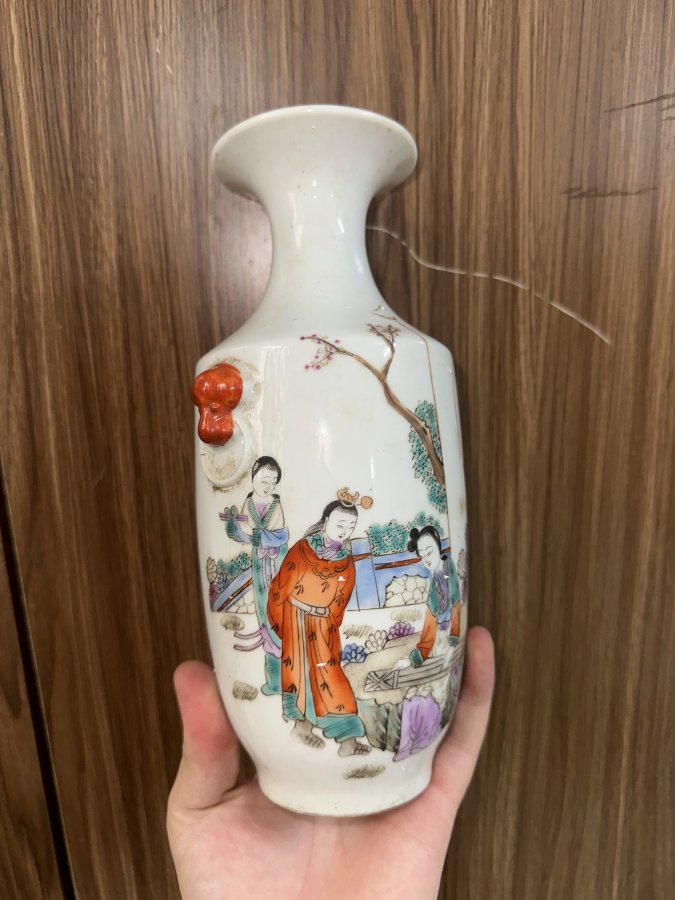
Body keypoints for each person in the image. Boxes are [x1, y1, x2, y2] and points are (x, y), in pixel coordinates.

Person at [167, 626, 495, 900]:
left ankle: (346, 737)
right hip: (301, 631)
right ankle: (309, 725)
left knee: (332, 681)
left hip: (322, 633)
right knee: (307, 676)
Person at [267, 489, 372, 756]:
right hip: (296, 621)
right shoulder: (302, 550)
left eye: (350, 526)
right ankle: (301, 727)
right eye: (340, 524)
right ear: (326, 522)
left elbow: (341, 599)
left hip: (323, 626)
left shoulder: (345, 561)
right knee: (299, 676)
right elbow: (281, 585)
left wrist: (328, 620)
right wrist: (281, 620)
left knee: (330, 676)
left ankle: (347, 741)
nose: (344, 531)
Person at [393, 526, 462, 760]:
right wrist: (414, 658)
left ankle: (420, 742)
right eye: (422, 555)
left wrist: (453, 642)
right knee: (412, 692)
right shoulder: (434, 581)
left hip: (448, 640)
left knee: (433, 690)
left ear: (439, 547)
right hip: (437, 643)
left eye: (429, 551)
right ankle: (407, 746)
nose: (426, 559)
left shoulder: (449, 570)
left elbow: (456, 608)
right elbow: (429, 628)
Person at [221, 456, 288, 694]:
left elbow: (282, 536)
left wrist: (258, 536)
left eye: (273, 481)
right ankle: (274, 681)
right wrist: (232, 526)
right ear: (253, 478)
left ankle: (289, 679)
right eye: (263, 480)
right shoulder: (247, 504)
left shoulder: (276, 505)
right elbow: (243, 535)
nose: (268, 485)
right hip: (260, 567)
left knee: (282, 617)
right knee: (264, 616)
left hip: (277, 564)